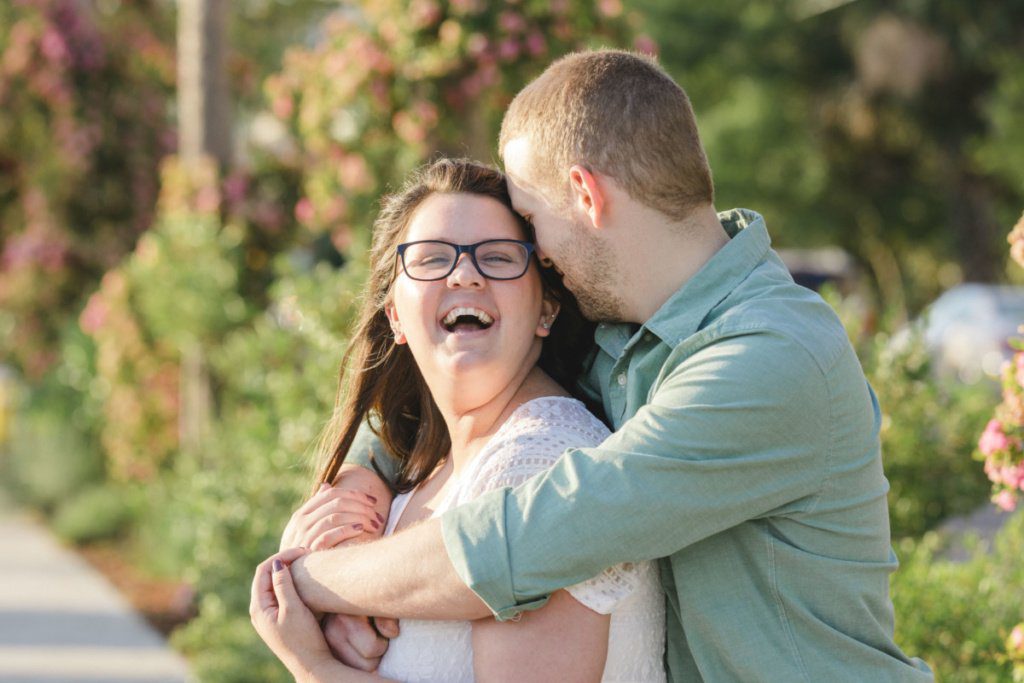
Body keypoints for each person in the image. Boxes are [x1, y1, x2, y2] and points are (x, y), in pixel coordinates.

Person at [267, 49, 935, 681]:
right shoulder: (626, 330)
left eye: (528, 220)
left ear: (585, 195)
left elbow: (531, 536)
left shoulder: (768, 358)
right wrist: (356, 488)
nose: (536, 253)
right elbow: (438, 393)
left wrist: (313, 579)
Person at [251, 158, 666, 681]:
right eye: (430, 259)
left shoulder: (540, 465)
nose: (465, 273)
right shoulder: (420, 476)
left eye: (497, 257)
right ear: (395, 317)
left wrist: (311, 665)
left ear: (547, 311)